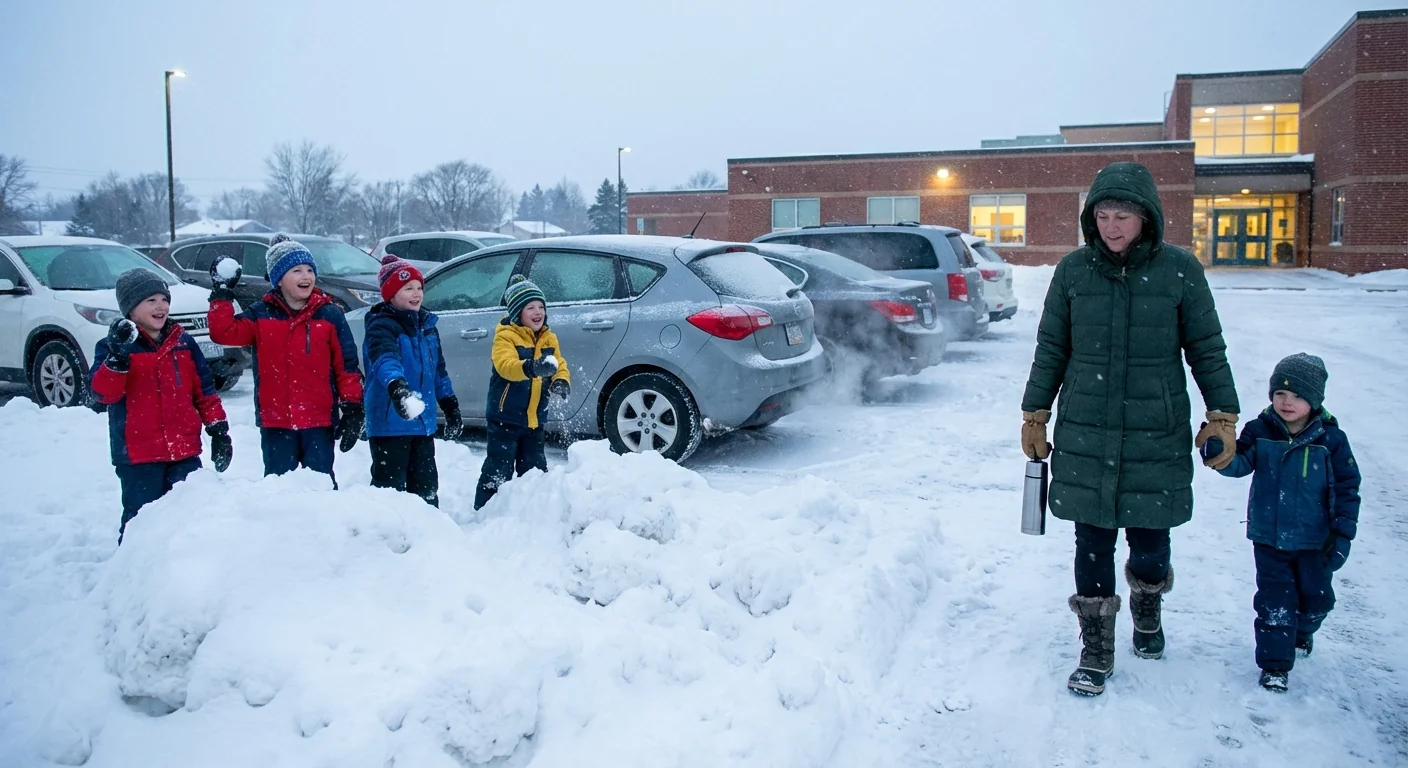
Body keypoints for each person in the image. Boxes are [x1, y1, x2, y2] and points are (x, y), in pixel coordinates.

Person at [1020, 161, 1240, 697]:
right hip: (1088, 428)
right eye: (1102, 215)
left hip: (1153, 430)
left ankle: (1147, 601)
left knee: (1149, 540)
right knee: (1091, 539)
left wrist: (1222, 415)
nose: (1111, 226)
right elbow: (1052, 346)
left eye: (1123, 215)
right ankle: (1095, 647)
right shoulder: (1073, 271)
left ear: (1147, 219)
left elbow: (1206, 349)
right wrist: (1035, 412)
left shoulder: (1180, 271)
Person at [1201, 353, 1360, 692]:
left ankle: (1303, 631)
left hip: (1315, 540)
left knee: (1317, 599)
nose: (1287, 402)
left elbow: (1348, 489)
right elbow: (1238, 464)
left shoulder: (1331, 440)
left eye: (1298, 396)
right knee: (1275, 603)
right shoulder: (1260, 431)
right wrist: (1217, 452)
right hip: (1269, 537)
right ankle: (1275, 665)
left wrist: (1342, 533)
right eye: (1279, 394)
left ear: (1314, 400)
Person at [90, 269, 232, 543]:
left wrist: (218, 429)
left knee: (188, 518)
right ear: (131, 310)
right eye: (151, 300)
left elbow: (204, 391)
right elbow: (101, 394)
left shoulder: (184, 343)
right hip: (139, 457)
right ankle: (132, 573)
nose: (161, 306)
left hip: (184, 451)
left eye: (164, 299)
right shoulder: (114, 347)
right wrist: (116, 361)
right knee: (140, 522)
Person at [207, 235, 364, 481]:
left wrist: (353, 405)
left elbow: (346, 364)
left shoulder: (329, 314)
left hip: (318, 419)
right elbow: (224, 332)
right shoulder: (260, 314)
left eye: (310, 270)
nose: (306, 276)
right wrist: (222, 294)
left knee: (319, 483)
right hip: (275, 420)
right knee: (278, 485)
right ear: (279, 278)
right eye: (297, 270)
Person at [362, 255, 461, 507]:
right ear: (390, 294)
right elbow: (385, 360)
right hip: (390, 424)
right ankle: (384, 535)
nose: (417, 294)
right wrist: (397, 388)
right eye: (408, 288)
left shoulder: (426, 326)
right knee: (389, 490)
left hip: (423, 424)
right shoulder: (381, 326)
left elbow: (438, 370)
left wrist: (450, 404)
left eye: (419, 288)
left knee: (426, 487)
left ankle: (428, 534)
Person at [473, 275, 571, 510]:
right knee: (499, 467)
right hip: (505, 417)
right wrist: (532, 367)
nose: (538, 312)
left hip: (535, 420)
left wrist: (560, 380)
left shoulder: (549, 337)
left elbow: (559, 363)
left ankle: (531, 512)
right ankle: (484, 510)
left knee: (535, 470)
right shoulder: (506, 336)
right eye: (530, 307)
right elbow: (506, 367)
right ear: (518, 312)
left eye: (541, 306)